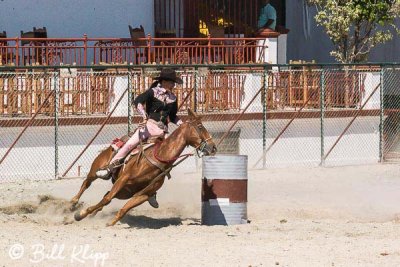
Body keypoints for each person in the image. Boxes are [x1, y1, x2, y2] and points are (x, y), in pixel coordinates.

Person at [95, 68, 184, 208]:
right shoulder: (152, 92)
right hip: (148, 127)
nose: (173, 85)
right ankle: (110, 168)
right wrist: (143, 116)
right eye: (172, 82)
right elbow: (138, 102)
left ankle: (152, 190)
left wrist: (182, 125)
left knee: (166, 161)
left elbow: (172, 116)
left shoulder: (173, 98)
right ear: (165, 82)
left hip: (162, 132)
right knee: (129, 145)